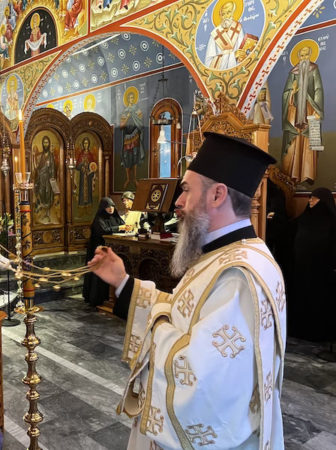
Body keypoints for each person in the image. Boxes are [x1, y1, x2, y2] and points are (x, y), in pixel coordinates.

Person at [89, 132, 286, 449]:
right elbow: (184, 315)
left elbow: (198, 375)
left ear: (217, 195)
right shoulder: (229, 255)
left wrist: (156, 322)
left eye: (186, 190)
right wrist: (123, 282)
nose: (177, 202)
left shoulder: (238, 275)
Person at [287, 187, 336, 342]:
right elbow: (287, 231)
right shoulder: (304, 218)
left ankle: (318, 333)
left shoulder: (332, 222)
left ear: (324, 201)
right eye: (310, 197)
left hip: (321, 271)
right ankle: (300, 330)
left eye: (315, 198)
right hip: (301, 269)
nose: (310, 201)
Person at [281, 42, 324, 183]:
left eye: (306, 55)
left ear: (310, 55)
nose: (304, 58)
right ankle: (292, 176)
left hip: (311, 109)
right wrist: (292, 92)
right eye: (302, 55)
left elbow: (318, 89)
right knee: (294, 140)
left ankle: (308, 175)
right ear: (298, 56)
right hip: (294, 111)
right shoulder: (293, 72)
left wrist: (317, 110)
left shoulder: (314, 69)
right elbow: (286, 93)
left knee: (311, 140)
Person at [83, 198, 128, 307]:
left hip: (113, 250)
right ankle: (97, 298)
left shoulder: (115, 216)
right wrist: (119, 228)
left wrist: (126, 227)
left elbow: (123, 225)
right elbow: (103, 230)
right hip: (100, 251)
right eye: (108, 207)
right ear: (103, 208)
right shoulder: (99, 219)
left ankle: (110, 297)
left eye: (112, 206)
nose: (110, 209)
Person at [204, 1, 245, 70]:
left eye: (228, 13)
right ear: (220, 16)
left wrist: (241, 55)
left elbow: (242, 51)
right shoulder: (214, 34)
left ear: (233, 13)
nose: (225, 16)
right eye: (223, 14)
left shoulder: (238, 28)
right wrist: (233, 56)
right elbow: (208, 62)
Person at [119, 89, 144, 189]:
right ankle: (128, 179)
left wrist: (134, 115)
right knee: (127, 157)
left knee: (135, 157)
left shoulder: (138, 110)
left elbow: (140, 123)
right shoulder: (124, 112)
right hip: (127, 137)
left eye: (133, 97)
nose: (131, 99)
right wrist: (128, 117)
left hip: (135, 136)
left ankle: (135, 179)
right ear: (127, 99)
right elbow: (121, 126)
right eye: (130, 98)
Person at [34, 135, 56, 223]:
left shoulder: (51, 156)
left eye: (47, 142)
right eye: (44, 142)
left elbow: (53, 168)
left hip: (48, 180)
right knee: (41, 194)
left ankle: (48, 213)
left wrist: (52, 178)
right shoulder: (40, 156)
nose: (45, 144)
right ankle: (43, 213)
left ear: (49, 144)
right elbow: (37, 168)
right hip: (41, 179)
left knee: (48, 195)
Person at [76, 136, 96, 208]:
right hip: (82, 175)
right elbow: (77, 166)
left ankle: (88, 204)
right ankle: (81, 204)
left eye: (87, 143)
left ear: (89, 144)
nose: (85, 145)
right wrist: (81, 164)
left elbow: (93, 166)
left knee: (88, 190)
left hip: (88, 175)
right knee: (82, 189)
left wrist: (91, 171)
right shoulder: (81, 154)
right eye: (84, 143)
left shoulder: (90, 154)